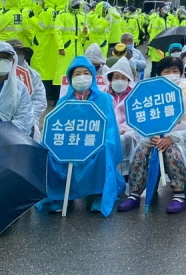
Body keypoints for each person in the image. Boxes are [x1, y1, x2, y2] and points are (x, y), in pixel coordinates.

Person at [118, 57, 186, 214]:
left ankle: (179, 194)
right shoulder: (151, 93)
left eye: (175, 71)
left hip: (182, 140)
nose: (171, 74)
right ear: (159, 73)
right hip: (153, 138)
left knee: (171, 150)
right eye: (167, 71)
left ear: (181, 73)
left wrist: (171, 138)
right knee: (142, 150)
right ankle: (135, 194)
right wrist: (149, 136)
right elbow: (140, 119)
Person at [42, 56, 124, 215]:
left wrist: (102, 142)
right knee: (50, 152)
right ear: (70, 78)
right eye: (77, 74)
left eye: (86, 73)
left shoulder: (104, 98)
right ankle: (60, 194)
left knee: (103, 151)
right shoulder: (64, 101)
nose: (82, 77)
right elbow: (56, 127)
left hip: (94, 143)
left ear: (93, 76)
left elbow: (110, 128)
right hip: (69, 143)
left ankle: (100, 193)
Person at [7, 41, 48, 140]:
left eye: (19, 53)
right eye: (13, 53)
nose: (17, 56)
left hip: (29, 121)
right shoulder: (0, 73)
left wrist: (26, 117)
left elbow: (40, 99)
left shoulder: (33, 75)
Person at [104, 56, 135, 176]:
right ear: (110, 79)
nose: (120, 80)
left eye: (123, 77)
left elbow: (138, 117)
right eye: (116, 77)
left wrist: (124, 129)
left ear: (129, 80)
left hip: (128, 131)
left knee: (127, 139)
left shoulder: (135, 95)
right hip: (107, 131)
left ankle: (126, 174)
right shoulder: (102, 94)